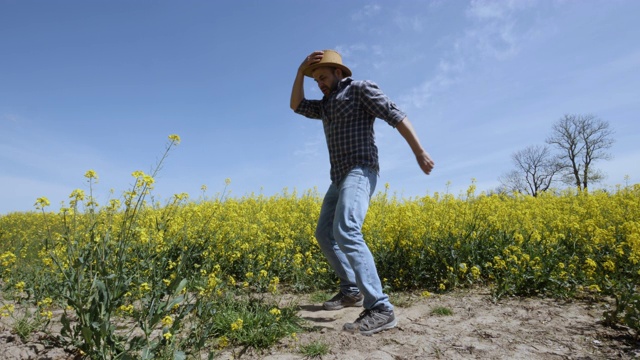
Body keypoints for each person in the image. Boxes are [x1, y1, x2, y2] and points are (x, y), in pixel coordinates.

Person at [290, 49, 435, 335]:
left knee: (346, 229)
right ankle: (351, 290)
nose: (318, 82)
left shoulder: (359, 89)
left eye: (322, 76)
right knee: (324, 233)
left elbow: (396, 115)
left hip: (361, 169)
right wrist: (299, 72)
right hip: (338, 177)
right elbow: (296, 105)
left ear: (339, 72)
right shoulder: (325, 105)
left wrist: (419, 151)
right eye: (315, 79)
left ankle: (380, 308)